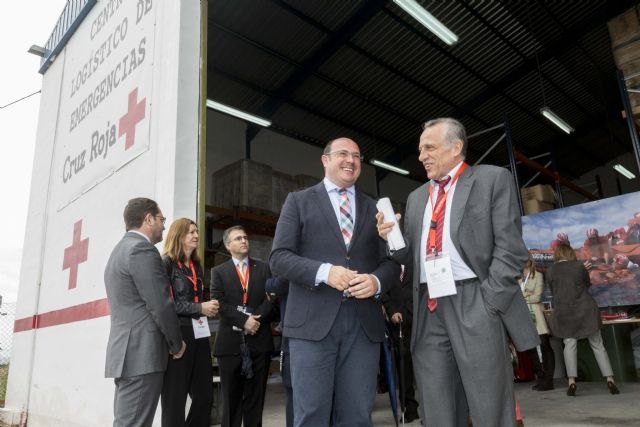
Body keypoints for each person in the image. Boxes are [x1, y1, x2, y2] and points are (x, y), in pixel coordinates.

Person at [377, 118, 539, 426]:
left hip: (474, 299)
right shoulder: (416, 198)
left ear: (456, 147)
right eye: (420, 149)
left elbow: (510, 248)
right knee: (435, 400)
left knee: (487, 399)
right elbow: (409, 256)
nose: (422, 155)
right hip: (429, 304)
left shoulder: (492, 179)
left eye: (430, 147)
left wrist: (489, 302)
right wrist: (390, 238)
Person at [270, 137, 400, 426]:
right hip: (312, 326)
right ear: (325, 160)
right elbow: (278, 257)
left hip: (362, 326)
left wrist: (376, 282)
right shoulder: (299, 201)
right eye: (342, 153)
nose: (350, 160)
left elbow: (393, 263)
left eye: (356, 156)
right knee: (312, 413)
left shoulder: (376, 209)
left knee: (356, 415)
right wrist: (325, 272)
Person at [104, 197, 186, 427]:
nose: (164, 225)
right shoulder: (142, 249)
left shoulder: (119, 250)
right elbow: (160, 303)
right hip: (142, 354)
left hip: (128, 354)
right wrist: (176, 343)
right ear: (148, 219)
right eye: (161, 219)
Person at [210, 225, 276, 427]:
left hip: (259, 343)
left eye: (245, 237)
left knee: (256, 398)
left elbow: (273, 298)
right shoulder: (218, 272)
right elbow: (218, 303)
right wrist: (243, 320)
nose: (244, 241)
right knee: (231, 399)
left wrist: (255, 319)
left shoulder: (264, 268)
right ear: (228, 245)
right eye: (238, 238)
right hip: (230, 345)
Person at [160, 218, 220, 426]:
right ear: (179, 236)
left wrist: (205, 308)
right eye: (191, 232)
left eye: (197, 232)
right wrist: (199, 308)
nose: (196, 236)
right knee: (174, 400)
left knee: (204, 396)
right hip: (178, 335)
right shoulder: (166, 263)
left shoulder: (196, 266)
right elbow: (166, 304)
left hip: (199, 334)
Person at [546, 243, 620, 397]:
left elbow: (554, 292)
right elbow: (587, 285)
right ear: (570, 253)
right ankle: (610, 379)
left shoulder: (551, 270)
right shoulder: (579, 266)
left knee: (569, 345)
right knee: (598, 345)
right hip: (586, 309)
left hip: (565, 312)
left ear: (557, 254)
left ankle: (572, 382)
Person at [381, 265, 420, 423]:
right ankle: (408, 408)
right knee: (403, 366)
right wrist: (391, 311)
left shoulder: (414, 256)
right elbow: (382, 289)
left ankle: (431, 409)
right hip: (398, 320)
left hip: (420, 316)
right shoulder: (386, 262)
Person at [519, 256, 555, 391]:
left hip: (538, 317)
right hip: (524, 317)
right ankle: (540, 377)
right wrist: (527, 295)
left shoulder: (538, 275)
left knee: (545, 346)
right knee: (531, 349)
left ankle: (549, 379)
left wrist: (524, 297)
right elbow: (516, 297)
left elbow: (538, 296)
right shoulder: (518, 278)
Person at [265, 276, 293, 427]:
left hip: (297, 337)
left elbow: (278, 283)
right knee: (291, 389)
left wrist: (269, 285)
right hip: (290, 337)